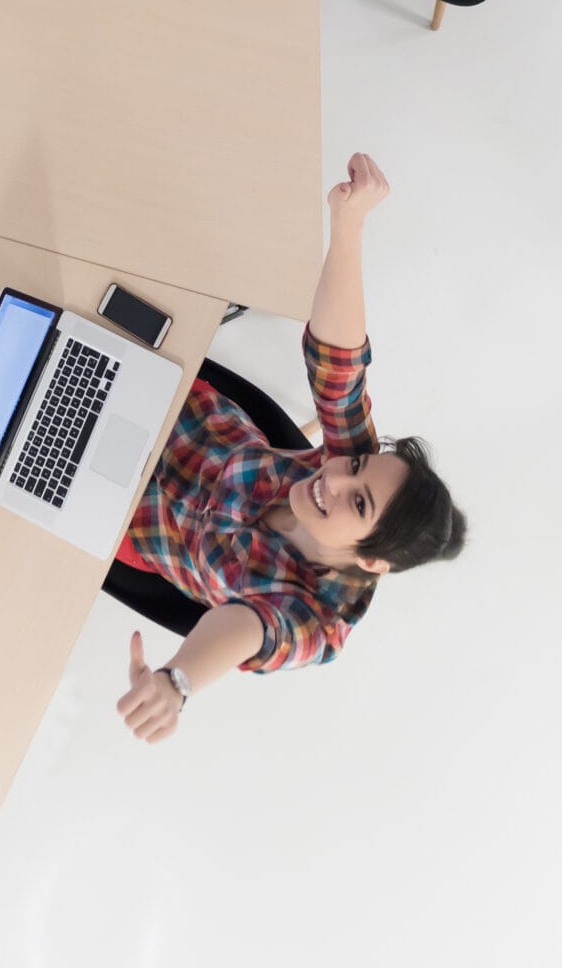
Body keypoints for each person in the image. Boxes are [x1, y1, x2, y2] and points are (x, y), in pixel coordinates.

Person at [114, 152, 463, 741]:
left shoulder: (318, 621)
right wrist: (347, 223)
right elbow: (339, 365)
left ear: (371, 560)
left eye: (357, 504)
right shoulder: (350, 465)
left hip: (119, 510)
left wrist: (178, 683)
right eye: (355, 467)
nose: (335, 480)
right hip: (162, 399)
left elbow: (251, 627)